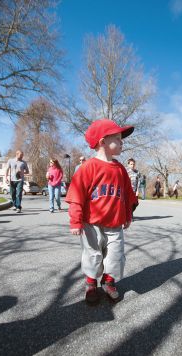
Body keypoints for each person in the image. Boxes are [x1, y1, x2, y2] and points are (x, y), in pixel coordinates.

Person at [65, 119, 138, 305]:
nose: (122, 142)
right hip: (91, 223)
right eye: (117, 138)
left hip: (115, 224)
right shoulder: (87, 167)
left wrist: (128, 215)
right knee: (92, 254)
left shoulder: (120, 169)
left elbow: (128, 196)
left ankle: (109, 282)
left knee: (115, 255)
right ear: (102, 141)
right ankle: (91, 284)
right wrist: (75, 221)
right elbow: (76, 196)